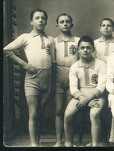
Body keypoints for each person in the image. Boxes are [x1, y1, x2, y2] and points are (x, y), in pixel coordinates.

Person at [3, 9, 54, 147]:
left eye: (43, 18)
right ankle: (33, 144)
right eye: (37, 18)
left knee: (41, 113)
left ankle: (38, 141)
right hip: (32, 79)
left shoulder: (50, 39)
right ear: (31, 21)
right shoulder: (26, 37)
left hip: (47, 78)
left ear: (46, 21)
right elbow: (6, 50)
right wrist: (24, 65)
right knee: (34, 113)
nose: (40, 20)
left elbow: (52, 61)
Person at [64, 36, 106, 147]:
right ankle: (69, 143)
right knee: (67, 115)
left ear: (93, 49)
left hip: (96, 96)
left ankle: (95, 144)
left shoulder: (101, 64)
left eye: (88, 47)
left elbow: (101, 86)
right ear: (78, 50)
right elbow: (73, 87)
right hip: (80, 96)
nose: (85, 50)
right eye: (82, 47)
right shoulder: (74, 66)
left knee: (94, 113)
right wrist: (83, 99)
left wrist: (88, 99)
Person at [53, 13, 80, 147]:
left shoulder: (78, 40)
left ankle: (70, 141)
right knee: (58, 110)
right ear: (57, 25)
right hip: (58, 76)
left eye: (68, 22)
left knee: (70, 112)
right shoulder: (53, 41)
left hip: (73, 77)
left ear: (72, 24)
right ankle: (59, 140)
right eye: (62, 22)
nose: (65, 24)